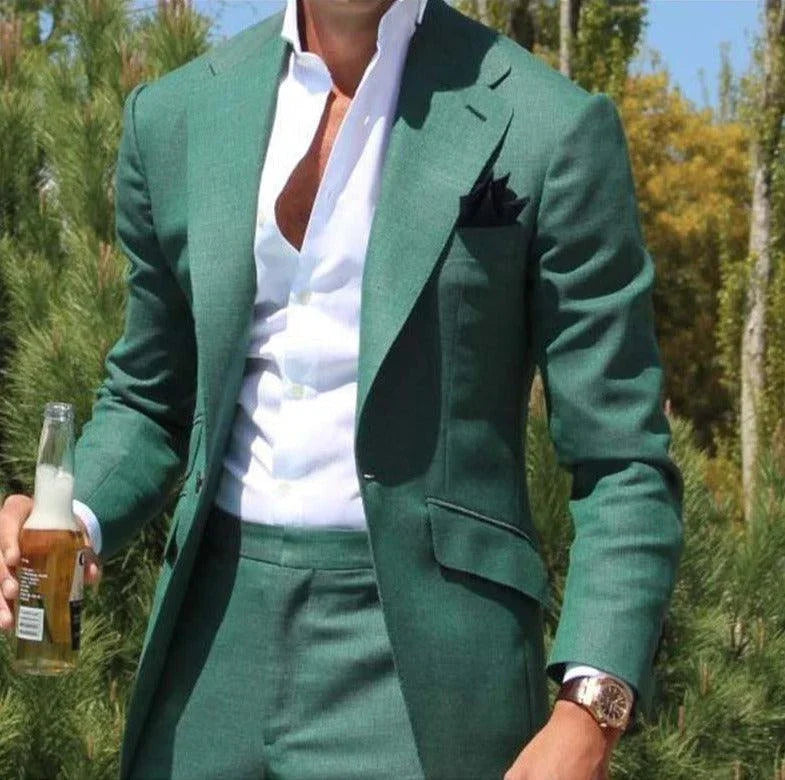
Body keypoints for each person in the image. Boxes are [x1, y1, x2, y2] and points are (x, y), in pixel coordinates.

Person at [0, 0, 684, 777]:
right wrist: (73, 513)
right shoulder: (175, 116)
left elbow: (622, 458)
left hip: (421, 675)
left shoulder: (548, 126)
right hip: (206, 653)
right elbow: (151, 401)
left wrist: (590, 709)